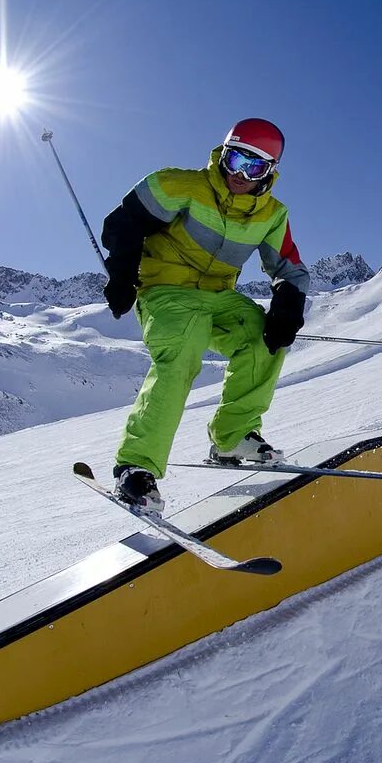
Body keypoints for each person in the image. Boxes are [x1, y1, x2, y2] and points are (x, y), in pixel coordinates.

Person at [99, 118, 310, 511]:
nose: (240, 176)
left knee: (264, 338)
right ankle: (135, 467)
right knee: (182, 353)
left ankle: (232, 436)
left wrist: (287, 305)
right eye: (235, 160)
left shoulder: (271, 214)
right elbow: (122, 222)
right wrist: (124, 273)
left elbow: (289, 267)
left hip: (219, 297)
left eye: (255, 167)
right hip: (166, 291)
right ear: (222, 154)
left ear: (270, 173)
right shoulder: (180, 185)